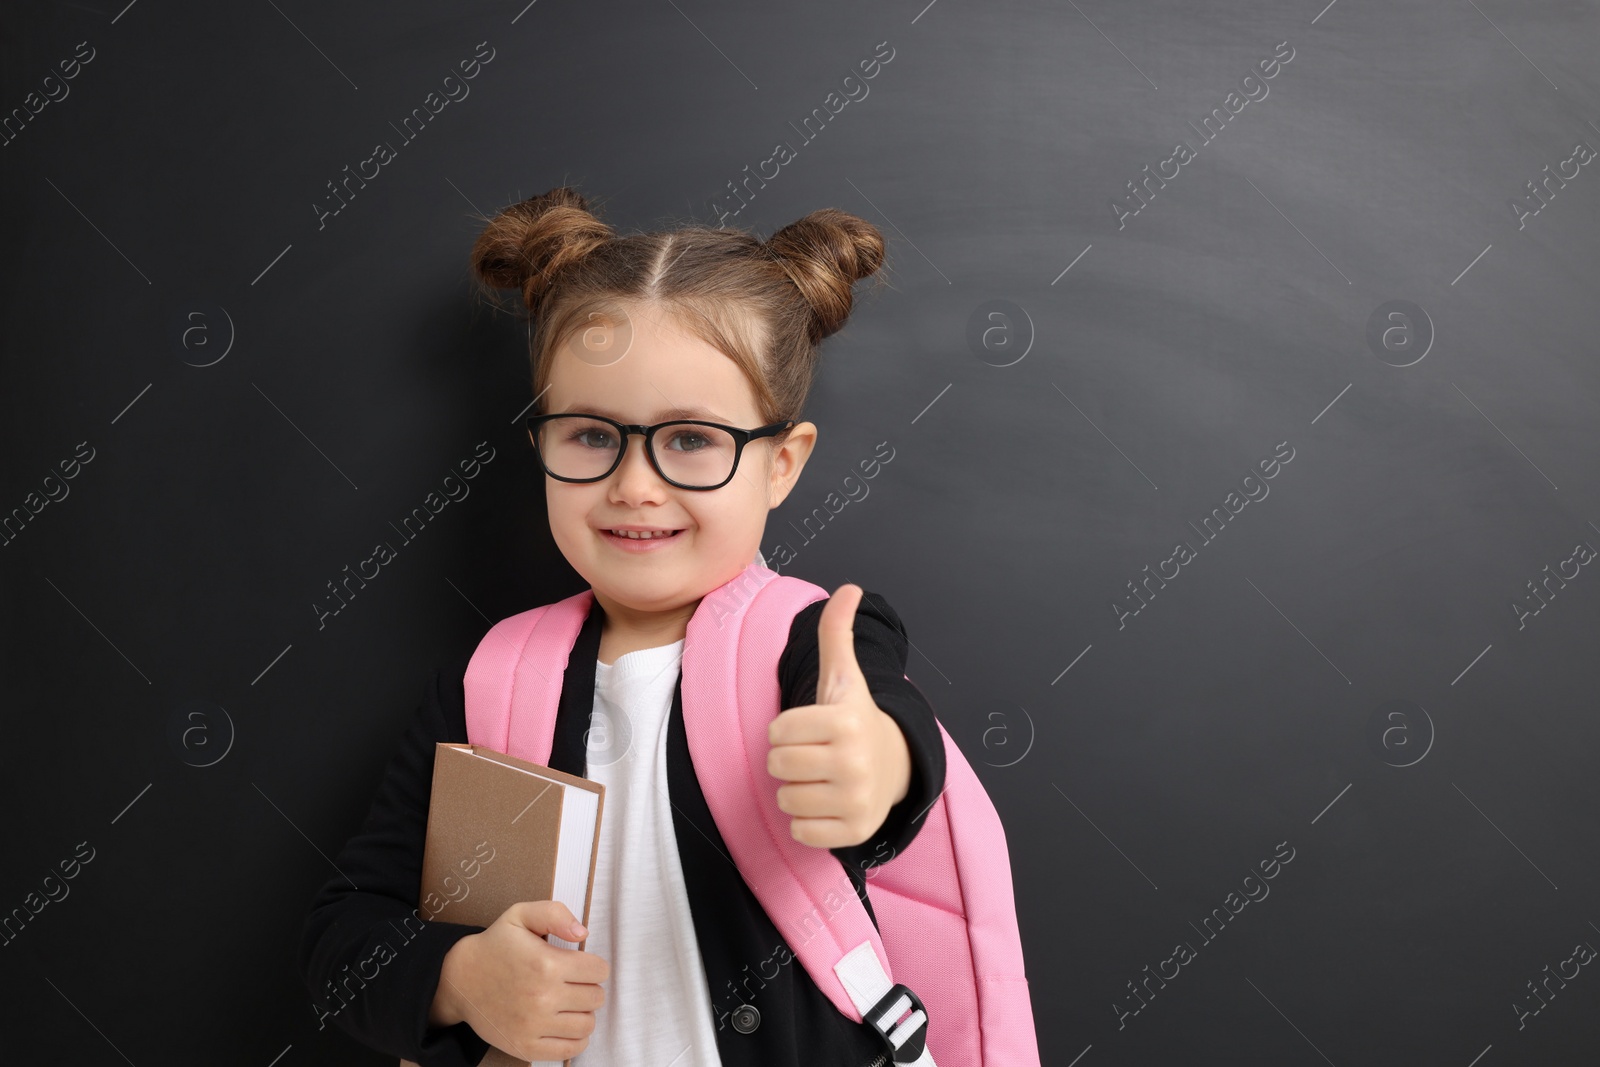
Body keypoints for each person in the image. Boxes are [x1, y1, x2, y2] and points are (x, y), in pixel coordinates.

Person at [297, 187, 947, 1067]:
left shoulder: (815, 637)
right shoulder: (491, 682)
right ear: (542, 446)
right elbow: (346, 937)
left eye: (690, 440)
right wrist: (457, 978)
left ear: (781, 463)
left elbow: (883, 729)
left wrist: (872, 763)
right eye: (593, 434)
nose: (635, 484)